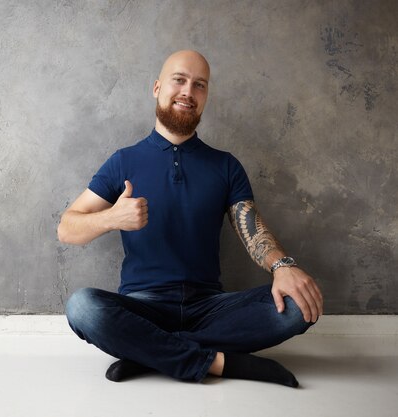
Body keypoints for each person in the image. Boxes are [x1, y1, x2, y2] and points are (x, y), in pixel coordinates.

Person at [57, 50, 323, 388]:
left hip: (210, 306)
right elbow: (67, 229)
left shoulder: (225, 166)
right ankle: (219, 362)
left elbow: (252, 231)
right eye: (179, 80)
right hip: (143, 305)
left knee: (301, 303)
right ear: (157, 88)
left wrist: (283, 266)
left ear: (206, 96)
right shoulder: (123, 161)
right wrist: (112, 217)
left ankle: (148, 352)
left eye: (199, 85)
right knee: (83, 307)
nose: (188, 91)